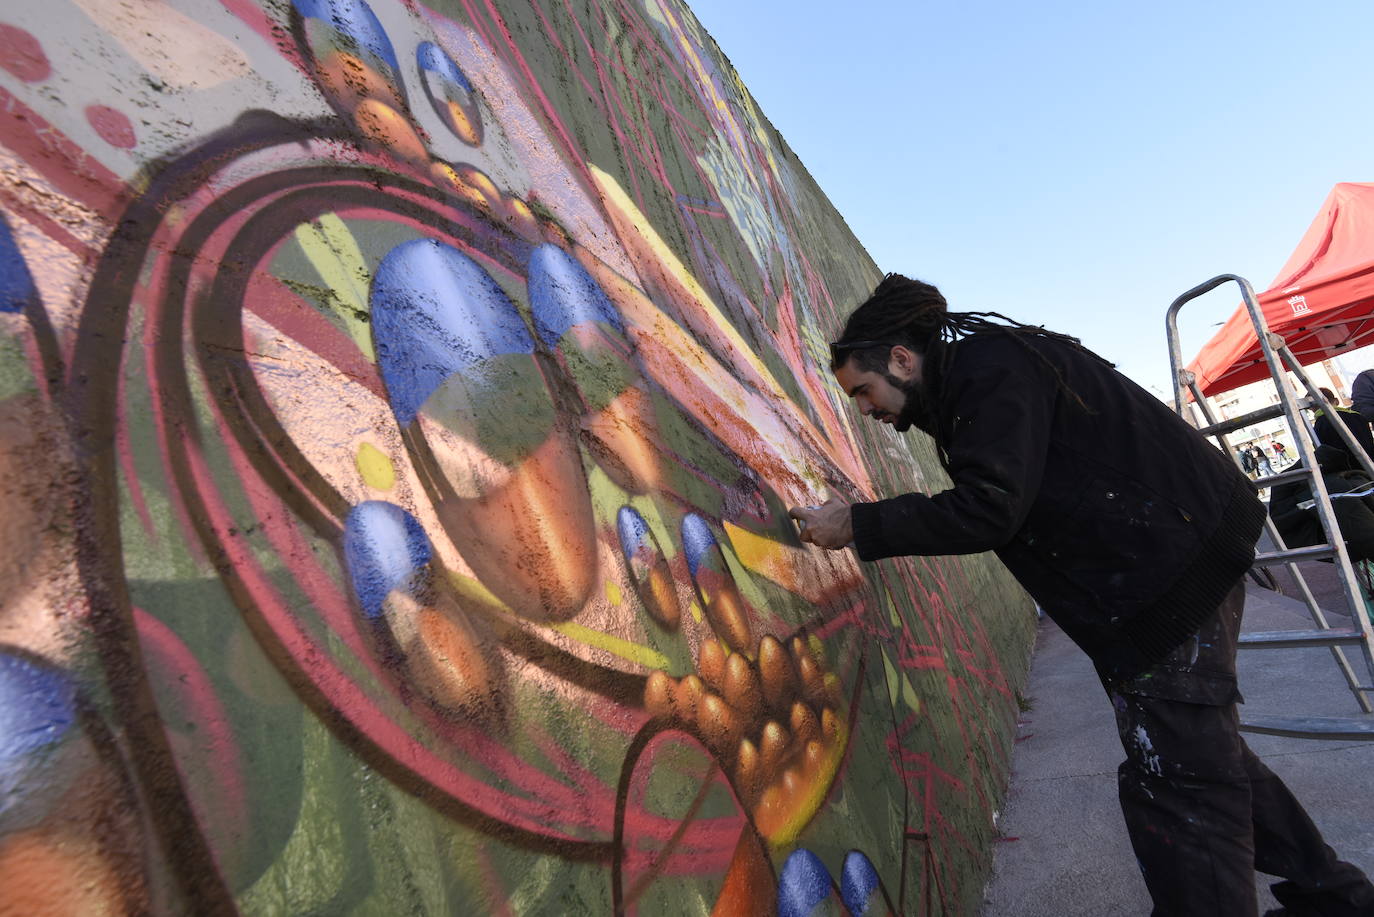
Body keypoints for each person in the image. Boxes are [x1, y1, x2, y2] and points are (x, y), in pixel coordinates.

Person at [790, 273, 1374, 917]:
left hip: (1172, 572)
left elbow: (990, 509)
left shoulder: (989, 373)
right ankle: (1337, 899)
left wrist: (857, 524)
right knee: (1200, 753)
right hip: (1165, 565)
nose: (866, 409)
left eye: (864, 391)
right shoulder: (976, 379)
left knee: (1182, 790)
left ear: (902, 358)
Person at [1314, 386, 1374, 464]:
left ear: (1312, 408)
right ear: (1336, 401)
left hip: (1349, 469)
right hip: (1370, 463)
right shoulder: (1359, 416)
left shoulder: (1321, 422)